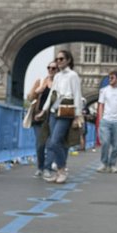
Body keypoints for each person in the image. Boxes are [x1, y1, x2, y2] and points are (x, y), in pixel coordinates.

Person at [40, 49, 83, 185]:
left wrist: (77, 116)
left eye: (61, 59)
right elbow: (52, 94)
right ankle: (60, 171)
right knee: (56, 142)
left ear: (68, 60)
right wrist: (44, 110)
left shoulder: (73, 75)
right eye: (57, 59)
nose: (58, 61)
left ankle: (62, 170)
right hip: (54, 110)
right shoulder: (57, 76)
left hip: (66, 111)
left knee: (55, 142)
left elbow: (77, 95)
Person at [27, 60, 56, 177]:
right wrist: (37, 91)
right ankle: (40, 167)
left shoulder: (59, 84)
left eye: (53, 68)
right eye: (49, 67)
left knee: (51, 144)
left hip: (53, 116)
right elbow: (30, 98)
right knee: (40, 144)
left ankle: (47, 168)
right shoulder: (40, 81)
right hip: (39, 116)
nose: (50, 70)